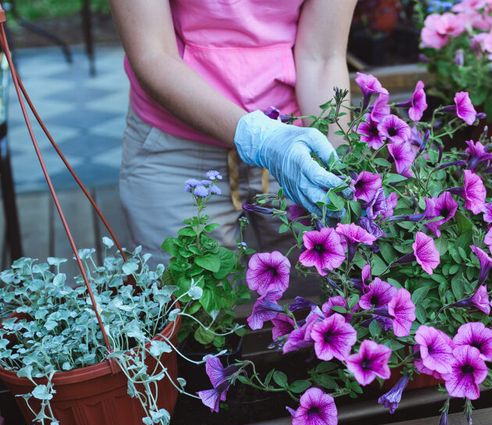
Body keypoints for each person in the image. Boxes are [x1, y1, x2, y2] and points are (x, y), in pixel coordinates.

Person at [110, 0, 358, 265]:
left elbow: (322, 58)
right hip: (176, 149)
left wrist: (337, 164)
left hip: (292, 147)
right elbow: (154, 55)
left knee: (312, 287)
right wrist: (259, 138)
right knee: (185, 298)